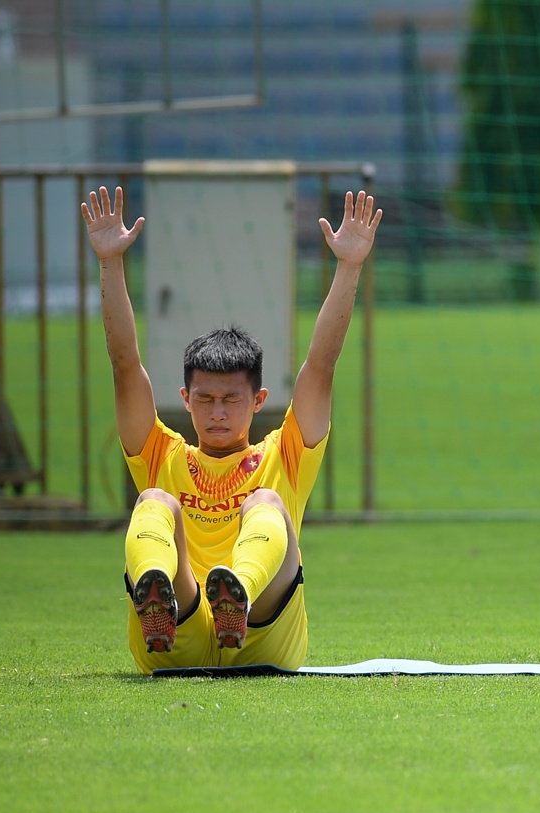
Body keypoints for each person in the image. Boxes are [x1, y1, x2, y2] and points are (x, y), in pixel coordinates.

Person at [86, 186, 380, 673]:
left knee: (265, 503)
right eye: (204, 399)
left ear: (259, 401)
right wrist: (110, 263)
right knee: (153, 502)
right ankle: (159, 597)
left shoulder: (284, 453)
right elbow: (124, 366)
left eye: (230, 399)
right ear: (185, 400)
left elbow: (320, 366)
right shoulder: (164, 455)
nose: (216, 411)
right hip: (179, 635)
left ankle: (237, 594)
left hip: (265, 634)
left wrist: (348, 266)